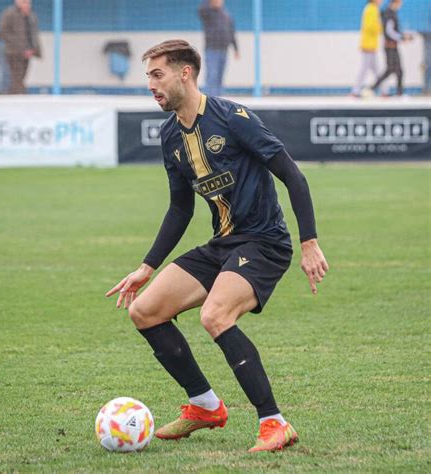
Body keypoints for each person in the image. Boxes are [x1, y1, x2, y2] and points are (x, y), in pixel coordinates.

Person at [106, 39, 329, 453]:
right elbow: (179, 207)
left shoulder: (233, 118)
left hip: (265, 242)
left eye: (157, 75)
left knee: (215, 314)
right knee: (145, 310)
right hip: (222, 243)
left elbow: (293, 176)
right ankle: (205, 406)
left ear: (184, 73)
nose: (151, 85)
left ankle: (275, 423)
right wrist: (147, 266)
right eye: (148, 77)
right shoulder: (170, 134)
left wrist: (309, 242)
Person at [372, 0, 413, 96]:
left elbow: (392, 30)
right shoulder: (389, 14)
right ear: (395, 2)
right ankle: (372, 88)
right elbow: (389, 32)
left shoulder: (391, 13)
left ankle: (399, 92)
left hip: (393, 46)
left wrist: (402, 36)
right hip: (390, 46)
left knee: (398, 70)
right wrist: (402, 37)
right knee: (391, 69)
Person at [0, 0, 41, 94]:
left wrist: (33, 49)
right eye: (24, 2)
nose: (27, 5)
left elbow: (33, 34)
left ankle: (16, 94)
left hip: (28, 52)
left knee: (22, 76)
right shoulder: (9, 14)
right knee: (17, 76)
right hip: (13, 52)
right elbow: (4, 33)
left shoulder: (31, 16)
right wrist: (21, 48)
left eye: (28, 2)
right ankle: (20, 95)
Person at [198, 0, 239, 97]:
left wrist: (236, 49)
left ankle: (218, 99)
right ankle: (209, 99)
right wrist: (209, 3)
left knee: (220, 76)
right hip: (212, 49)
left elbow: (231, 32)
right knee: (212, 75)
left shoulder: (226, 15)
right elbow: (200, 10)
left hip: (224, 49)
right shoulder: (208, 13)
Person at [351, 0, 383, 97]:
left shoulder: (373, 9)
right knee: (365, 69)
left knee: (376, 69)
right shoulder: (371, 9)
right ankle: (355, 90)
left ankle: (383, 90)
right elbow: (370, 26)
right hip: (367, 45)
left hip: (371, 44)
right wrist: (381, 27)